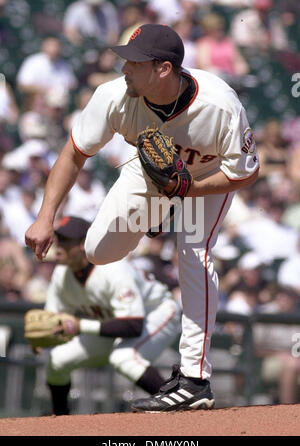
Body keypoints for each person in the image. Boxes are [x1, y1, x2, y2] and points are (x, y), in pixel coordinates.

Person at [25, 24, 259, 413]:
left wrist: (187, 192)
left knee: (194, 252)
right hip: (152, 171)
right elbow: (72, 154)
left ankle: (194, 379)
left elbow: (246, 172)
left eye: (134, 63)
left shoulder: (220, 104)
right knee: (99, 251)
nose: (123, 69)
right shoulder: (114, 97)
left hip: (207, 177)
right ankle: (160, 211)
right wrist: (44, 217)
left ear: (163, 68)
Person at [39, 215, 181, 415]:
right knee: (57, 361)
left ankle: (176, 403)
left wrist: (79, 326)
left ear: (82, 244)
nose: (58, 247)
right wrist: (43, 338)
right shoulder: (61, 274)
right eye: (58, 240)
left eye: (66, 242)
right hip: (111, 324)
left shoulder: (112, 268)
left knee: (123, 357)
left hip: (158, 312)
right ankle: (61, 419)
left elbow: (133, 326)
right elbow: (54, 320)